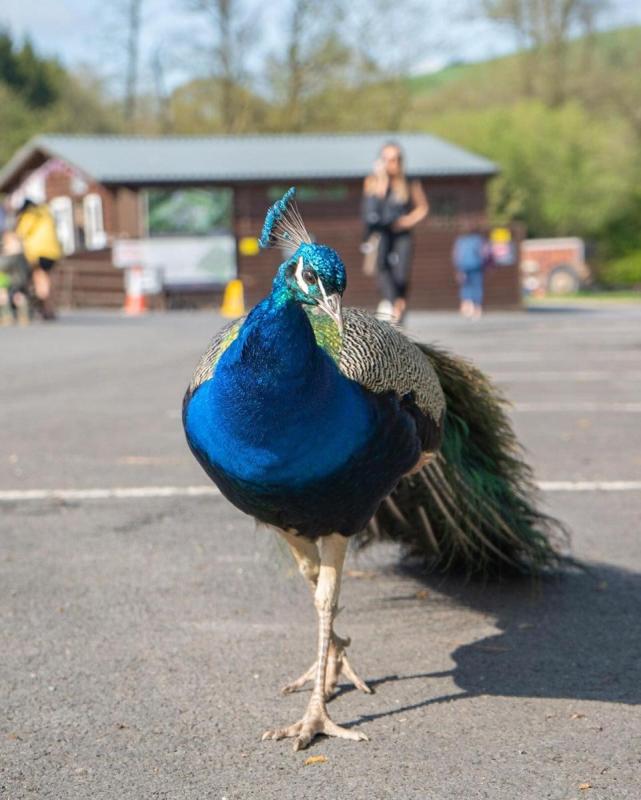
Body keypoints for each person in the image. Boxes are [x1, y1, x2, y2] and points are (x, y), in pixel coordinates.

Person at [362, 142, 429, 324]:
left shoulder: (409, 181)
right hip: (381, 233)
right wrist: (382, 178)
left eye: (397, 159)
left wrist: (408, 221)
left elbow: (423, 207)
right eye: (389, 159)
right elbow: (373, 205)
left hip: (401, 233)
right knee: (382, 266)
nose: (394, 163)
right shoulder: (373, 181)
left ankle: (398, 304)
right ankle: (393, 304)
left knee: (401, 272)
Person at [15, 199, 62, 320]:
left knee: (40, 279)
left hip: (38, 252)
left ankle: (45, 307)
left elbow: (21, 232)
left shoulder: (30, 215)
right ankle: (50, 307)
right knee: (50, 279)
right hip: (53, 251)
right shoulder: (46, 213)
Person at [452, 227, 491, 319]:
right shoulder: (479, 240)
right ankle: (477, 308)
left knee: (465, 286)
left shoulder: (460, 240)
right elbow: (484, 253)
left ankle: (466, 307)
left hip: (463, 266)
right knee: (477, 286)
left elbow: (456, 254)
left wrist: (458, 268)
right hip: (476, 266)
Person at [0, 231, 31, 326]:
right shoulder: (22, 256)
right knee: (17, 297)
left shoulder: (13, 256)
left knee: (5, 296)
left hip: (12, 282)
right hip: (18, 281)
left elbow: (3, 266)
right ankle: (22, 316)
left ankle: (7, 316)